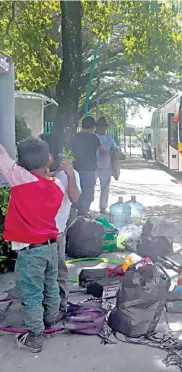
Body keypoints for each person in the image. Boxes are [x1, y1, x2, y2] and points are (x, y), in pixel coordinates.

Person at [0, 139, 73, 352]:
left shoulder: (21, 179)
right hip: (51, 247)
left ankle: (35, 336)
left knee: (31, 293)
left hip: (30, 250)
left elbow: (3, 158)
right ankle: (50, 319)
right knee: (50, 287)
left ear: (21, 165)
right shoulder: (57, 185)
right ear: (49, 159)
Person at [40, 133, 81, 312]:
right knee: (40, 273)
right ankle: (43, 306)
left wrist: (70, 174)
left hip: (56, 233)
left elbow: (75, 197)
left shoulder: (68, 175)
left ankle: (60, 306)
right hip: (35, 234)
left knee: (58, 272)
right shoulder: (38, 173)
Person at [71, 116, 105, 216]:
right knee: (88, 192)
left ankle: (75, 211)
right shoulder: (93, 137)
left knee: (76, 190)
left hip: (75, 169)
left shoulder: (74, 137)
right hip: (89, 170)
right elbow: (102, 150)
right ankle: (83, 213)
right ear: (93, 127)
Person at [95, 116, 115, 214]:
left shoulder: (109, 138)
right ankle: (85, 206)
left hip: (106, 165)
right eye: (100, 126)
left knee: (105, 187)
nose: (102, 128)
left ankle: (103, 207)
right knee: (90, 187)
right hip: (94, 165)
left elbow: (114, 149)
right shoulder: (93, 136)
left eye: (104, 126)